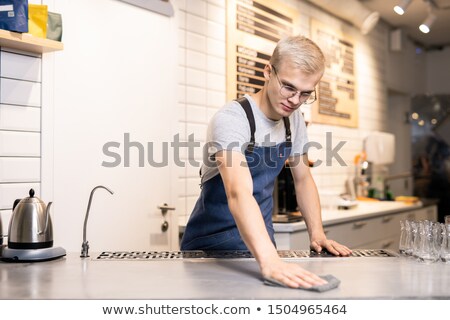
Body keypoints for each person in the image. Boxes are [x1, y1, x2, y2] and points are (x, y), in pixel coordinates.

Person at [180, 35, 351, 288]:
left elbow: (303, 179)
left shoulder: (293, 121)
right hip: (212, 249)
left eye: (305, 94)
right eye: (289, 87)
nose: (295, 100)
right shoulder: (232, 119)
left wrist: (317, 234)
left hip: (261, 244)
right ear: (268, 71)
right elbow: (238, 193)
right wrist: (270, 261)